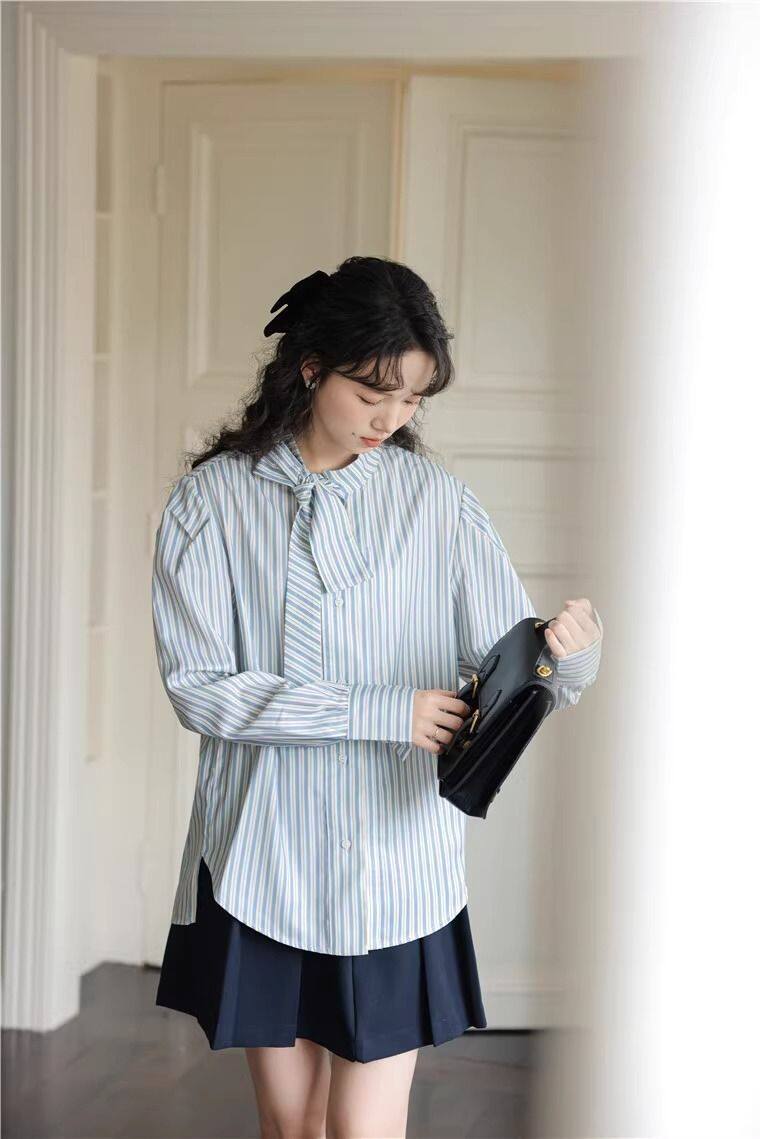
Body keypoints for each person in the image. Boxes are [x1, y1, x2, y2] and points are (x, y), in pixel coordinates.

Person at [151, 255, 603, 1138]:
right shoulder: (210, 503)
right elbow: (198, 689)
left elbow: (512, 667)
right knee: (292, 1124)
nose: (390, 419)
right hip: (263, 855)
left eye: (412, 400)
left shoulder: (438, 503)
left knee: (364, 1125)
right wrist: (381, 711)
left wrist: (569, 656)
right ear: (310, 367)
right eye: (372, 393)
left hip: (394, 865)